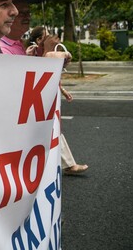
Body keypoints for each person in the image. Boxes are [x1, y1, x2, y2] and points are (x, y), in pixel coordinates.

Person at [26, 25, 88, 175]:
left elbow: (51, 78)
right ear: (40, 39)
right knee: (49, 132)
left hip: (44, 100)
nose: (52, 38)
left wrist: (63, 91)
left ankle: (67, 165)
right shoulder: (32, 54)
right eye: (47, 36)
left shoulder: (43, 53)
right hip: (35, 102)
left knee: (53, 131)